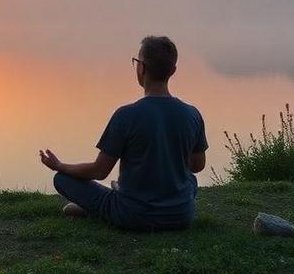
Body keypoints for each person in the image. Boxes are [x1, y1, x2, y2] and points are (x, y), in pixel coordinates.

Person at [38, 36, 207, 231]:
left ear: (141, 68)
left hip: (133, 215)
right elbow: (197, 166)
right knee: (190, 180)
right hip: (181, 215)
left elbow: (99, 171)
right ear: (173, 71)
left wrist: (59, 165)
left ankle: (100, 207)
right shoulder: (192, 114)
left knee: (62, 179)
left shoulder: (126, 115)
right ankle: (120, 199)